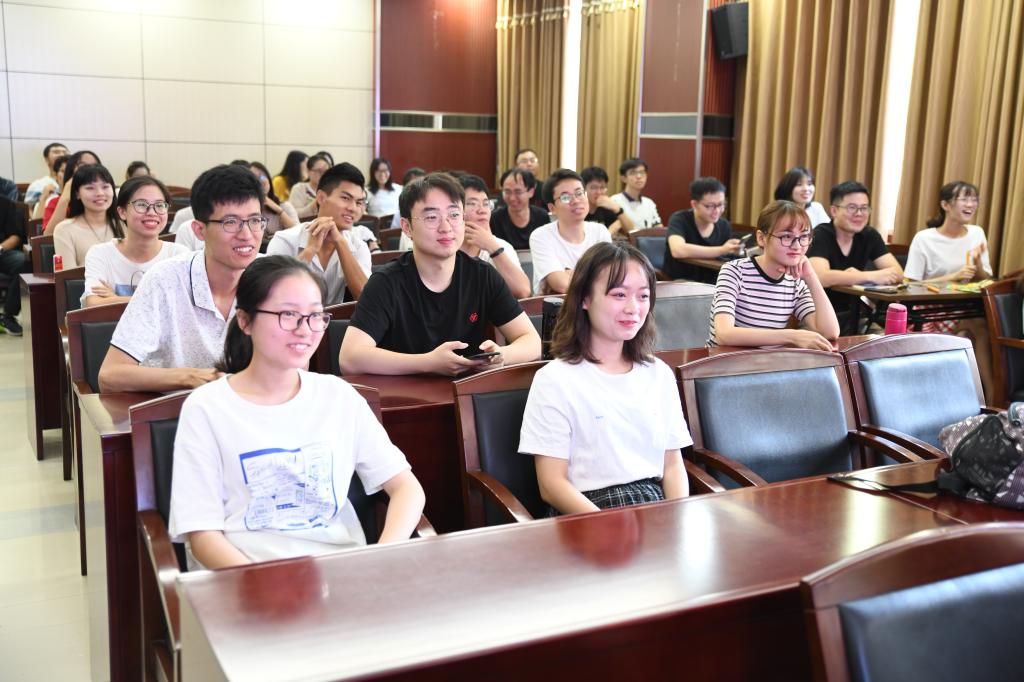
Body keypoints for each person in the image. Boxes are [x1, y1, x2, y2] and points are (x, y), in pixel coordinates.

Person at [168, 256, 425, 568]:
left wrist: (382, 556)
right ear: (245, 321)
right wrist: (265, 584)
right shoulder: (207, 408)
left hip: (340, 572)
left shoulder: (339, 397)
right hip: (246, 576)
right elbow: (202, 535)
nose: (305, 330)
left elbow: (406, 488)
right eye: (288, 315)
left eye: (315, 316)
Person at [519, 241, 691, 515]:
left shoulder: (659, 373)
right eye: (619, 294)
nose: (633, 308)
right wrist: (605, 525)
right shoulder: (554, 379)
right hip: (587, 510)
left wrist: (677, 516)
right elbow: (552, 484)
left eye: (643, 296)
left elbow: (672, 465)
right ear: (584, 298)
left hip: (655, 504)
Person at [339, 172, 541, 376]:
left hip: (467, 392)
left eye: (454, 215)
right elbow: (350, 357)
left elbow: (532, 341)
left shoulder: (482, 275)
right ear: (407, 227)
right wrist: (428, 362)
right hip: (404, 393)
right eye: (431, 217)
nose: (446, 227)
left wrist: (501, 355)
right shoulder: (386, 282)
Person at [98, 164, 264, 393]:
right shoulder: (166, 279)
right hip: (176, 408)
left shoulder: (271, 279)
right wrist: (191, 377)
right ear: (199, 230)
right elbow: (110, 375)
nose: (246, 235)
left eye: (254, 221)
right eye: (230, 222)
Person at [707, 200, 839, 348]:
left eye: (803, 237)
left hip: (766, 362)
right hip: (724, 361)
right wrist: (791, 336)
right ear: (761, 238)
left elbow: (830, 332)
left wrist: (811, 276)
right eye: (786, 237)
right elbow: (724, 335)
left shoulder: (795, 284)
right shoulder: (734, 271)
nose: (797, 246)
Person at [905, 180, 993, 399]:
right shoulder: (925, 238)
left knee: (973, 331)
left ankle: (981, 397)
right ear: (945, 205)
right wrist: (952, 277)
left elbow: (986, 279)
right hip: (931, 310)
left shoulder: (976, 233)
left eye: (974, 199)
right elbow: (910, 284)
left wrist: (977, 264)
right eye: (964, 199)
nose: (971, 204)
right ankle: (991, 396)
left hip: (965, 308)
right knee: (977, 328)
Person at [267, 163, 372, 304]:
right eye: (346, 198)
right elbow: (270, 293)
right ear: (321, 197)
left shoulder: (358, 246)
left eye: (359, 202)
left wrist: (340, 243)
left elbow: (366, 298)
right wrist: (310, 251)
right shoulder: (285, 240)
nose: (353, 208)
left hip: (338, 319)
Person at [807, 181, 903, 334]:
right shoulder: (821, 234)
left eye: (864, 208)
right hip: (817, 317)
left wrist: (852, 276)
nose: (859, 213)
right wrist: (870, 276)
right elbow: (820, 277)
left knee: (888, 340)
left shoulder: (869, 235)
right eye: (852, 207)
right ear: (834, 210)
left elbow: (897, 273)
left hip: (857, 317)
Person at [82, 176, 188, 307]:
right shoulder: (101, 254)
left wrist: (116, 299)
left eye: (160, 205)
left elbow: (183, 305)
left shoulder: (178, 255)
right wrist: (160, 300)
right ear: (122, 212)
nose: (152, 212)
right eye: (141, 205)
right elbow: (93, 303)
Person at [529, 169, 612, 295]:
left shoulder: (600, 232)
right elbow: (561, 285)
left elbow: (608, 278)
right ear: (552, 208)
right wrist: (592, 275)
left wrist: (571, 273)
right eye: (565, 197)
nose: (576, 200)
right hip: (558, 305)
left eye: (579, 193)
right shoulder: (541, 236)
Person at [455, 173, 531, 298]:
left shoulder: (500, 246)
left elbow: (523, 291)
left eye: (486, 204)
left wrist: (492, 248)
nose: (482, 210)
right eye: (472, 204)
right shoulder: (445, 247)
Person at [663, 176, 741, 283]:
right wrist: (722, 250)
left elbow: (725, 260)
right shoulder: (680, 219)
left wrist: (732, 250)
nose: (717, 211)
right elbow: (678, 250)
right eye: (710, 206)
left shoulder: (724, 225)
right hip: (680, 281)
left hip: (712, 283)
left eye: (720, 205)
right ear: (694, 204)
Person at [52, 164, 122, 268]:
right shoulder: (64, 230)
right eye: (90, 188)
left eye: (105, 187)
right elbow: (67, 275)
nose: (100, 193)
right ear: (77, 194)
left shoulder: (125, 225)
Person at [490, 168, 551, 251]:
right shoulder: (495, 219)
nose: (512, 198)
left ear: (531, 192)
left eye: (518, 192)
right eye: (507, 192)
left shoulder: (542, 217)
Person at [44, 149, 101, 233]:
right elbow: (47, 237)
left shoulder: (104, 197)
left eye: (95, 165)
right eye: (83, 166)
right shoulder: (55, 202)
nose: (90, 170)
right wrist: (65, 197)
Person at [0, 196, 33, 334]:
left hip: (3, 252)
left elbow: (16, 236)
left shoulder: (6, 204)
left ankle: (8, 316)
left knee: (25, 261)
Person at [248, 161, 299, 238]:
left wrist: (279, 211)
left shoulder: (284, 206)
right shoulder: (245, 210)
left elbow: (298, 233)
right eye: (255, 177)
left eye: (263, 176)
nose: (261, 180)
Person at [581, 166, 633, 238]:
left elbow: (632, 231)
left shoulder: (606, 207)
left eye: (602, 187)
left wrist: (617, 209)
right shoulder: (577, 208)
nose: (599, 192)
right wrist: (608, 233)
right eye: (594, 188)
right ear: (583, 189)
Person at [611, 158, 662, 230]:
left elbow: (659, 229)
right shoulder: (614, 201)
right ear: (623, 178)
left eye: (642, 172)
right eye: (633, 173)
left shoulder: (649, 203)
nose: (639, 176)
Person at [288, 153, 330, 220]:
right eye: (319, 171)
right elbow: (293, 214)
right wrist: (314, 205)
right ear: (308, 171)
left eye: (326, 171)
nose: (323, 175)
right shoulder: (299, 188)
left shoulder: (331, 189)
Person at [24, 142, 68, 207]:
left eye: (65, 152)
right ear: (46, 160)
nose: (62, 155)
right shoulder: (37, 185)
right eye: (56, 152)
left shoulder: (77, 182)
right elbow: (30, 210)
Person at [366, 158, 402, 228]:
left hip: (397, 227)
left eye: (385, 170)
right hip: (377, 227)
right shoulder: (367, 191)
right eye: (378, 171)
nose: (382, 174)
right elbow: (362, 211)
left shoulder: (398, 189)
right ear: (372, 173)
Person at [32, 155, 67, 221]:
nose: (68, 175)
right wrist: (43, 198)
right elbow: (37, 224)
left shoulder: (83, 196)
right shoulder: (49, 197)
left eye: (71, 171)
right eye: (63, 171)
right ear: (55, 175)